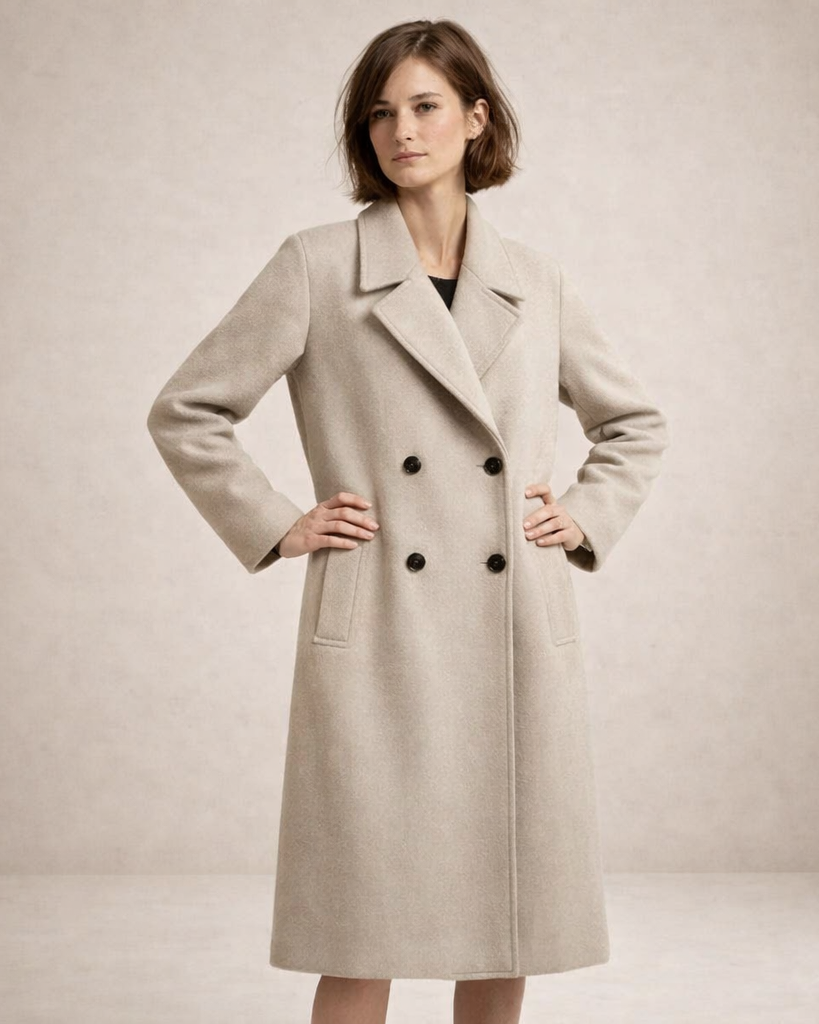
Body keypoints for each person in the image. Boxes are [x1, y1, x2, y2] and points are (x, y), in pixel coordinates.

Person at [147, 18, 669, 1024]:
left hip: (512, 625)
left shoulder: (537, 281)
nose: (402, 131)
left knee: (504, 923)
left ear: (476, 119)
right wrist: (278, 522)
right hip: (381, 621)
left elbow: (633, 422)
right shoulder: (317, 265)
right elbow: (188, 409)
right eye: (380, 114)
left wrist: (583, 514)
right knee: (362, 926)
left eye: (426, 106)